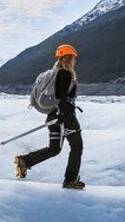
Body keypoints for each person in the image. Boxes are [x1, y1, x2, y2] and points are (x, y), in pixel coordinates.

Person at [14, 44, 84, 189]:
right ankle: (70, 180)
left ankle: (25, 161)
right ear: (69, 58)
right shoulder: (65, 73)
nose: (75, 61)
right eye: (74, 58)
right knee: (77, 147)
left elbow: (57, 98)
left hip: (54, 118)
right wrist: (65, 116)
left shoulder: (56, 72)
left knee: (54, 149)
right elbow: (62, 98)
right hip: (66, 118)